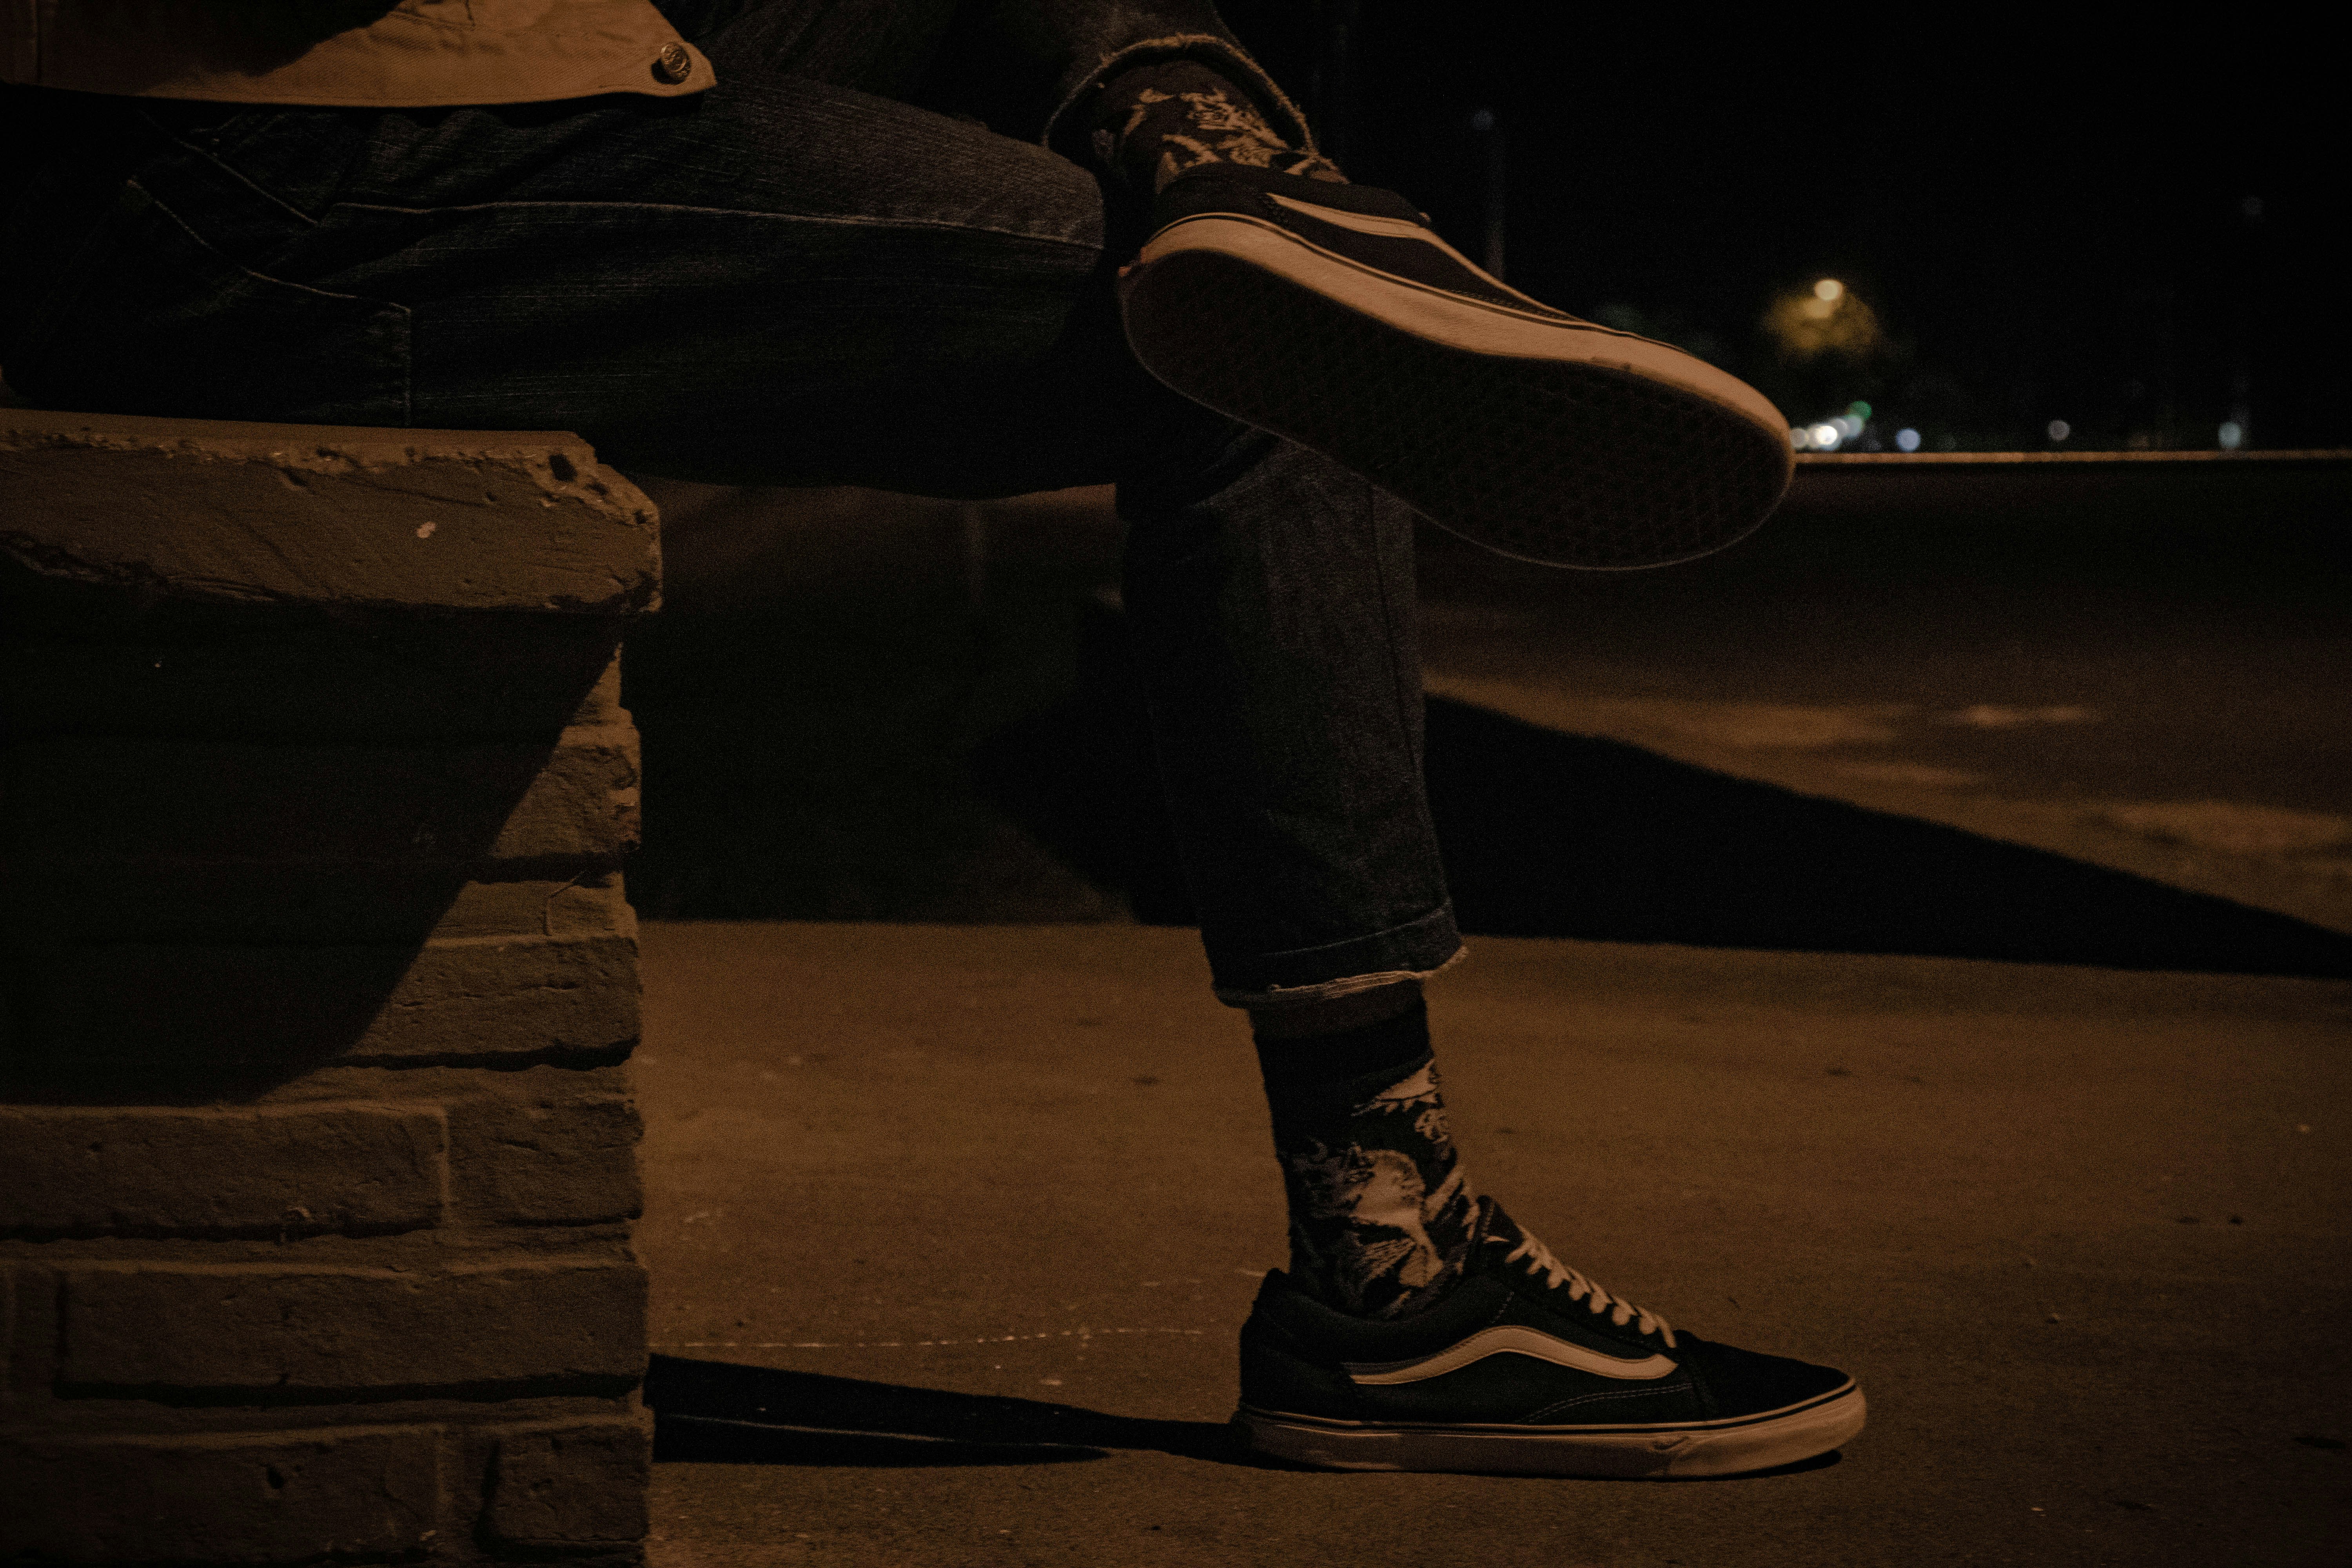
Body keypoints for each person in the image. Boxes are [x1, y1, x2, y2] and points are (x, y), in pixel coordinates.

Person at [0, 0, 1860, 1476]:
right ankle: (1393, 1256)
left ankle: (1246, 163)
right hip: (247, 179)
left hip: (389, 95)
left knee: (1254, 263)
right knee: (1264, 367)